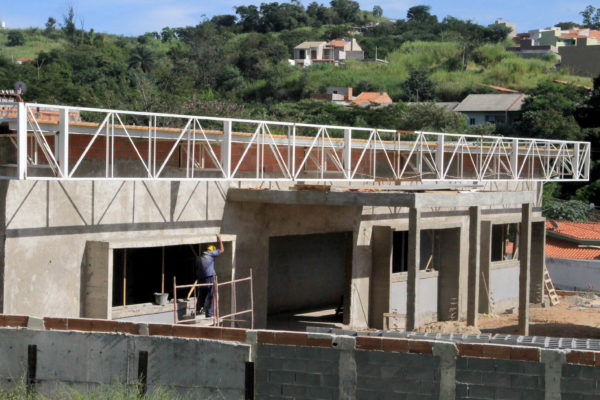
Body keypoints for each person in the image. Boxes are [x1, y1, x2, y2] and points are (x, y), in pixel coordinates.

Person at [195, 234, 224, 318]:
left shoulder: (200, 257)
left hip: (201, 280)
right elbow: (222, 250)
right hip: (210, 278)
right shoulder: (210, 253)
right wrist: (220, 239)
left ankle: (198, 311)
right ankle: (210, 314)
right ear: (212, 250)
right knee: (214, 296)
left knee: (201, 297)